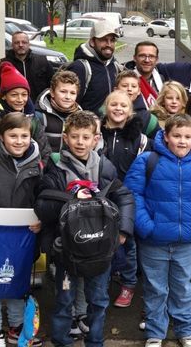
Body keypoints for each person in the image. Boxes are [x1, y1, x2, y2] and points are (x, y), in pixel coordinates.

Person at [34, 110, 135, 347]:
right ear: (65, 138)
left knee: (99, 300)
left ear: (95, 138)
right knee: (64, 300)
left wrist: (123, 232)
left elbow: (125, 197)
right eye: (75, 136)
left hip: (100, 249)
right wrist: (71, 199)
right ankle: (61, 341)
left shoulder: (105, 166)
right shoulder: (56, 167)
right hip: (66, 250)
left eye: (86, 137)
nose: (80, 142)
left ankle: (95, 342)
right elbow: (41, 204)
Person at [124, 114, 191, 347]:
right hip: (154, 240)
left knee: (182, 288)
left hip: (187, 241)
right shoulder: (147, 161)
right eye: (176, 136)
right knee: (155, 289)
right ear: (166, 137)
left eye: (187, 136)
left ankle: (186, 330)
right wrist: (146, 226)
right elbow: (132, 196)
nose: (182, 141)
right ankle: (155, 333)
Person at [0, 113, 43, 347]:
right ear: (1, 137)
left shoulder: (37, 164)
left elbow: (42, 198)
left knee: (18, 283)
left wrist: (41, 222)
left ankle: (16, 329)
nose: (19, 141)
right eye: (13, 135)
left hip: (24, 235)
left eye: (24, 136)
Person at [0, 61, 51, 163]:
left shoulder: (32, 119)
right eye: (14, 95)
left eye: (24, 95)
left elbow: (45, 153)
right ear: (3, 96)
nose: (20, 99)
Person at [70, 20, 120, 114]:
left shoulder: (115, 66)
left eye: (112, 40)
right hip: (86, 126)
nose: (109, 44)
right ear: (92, 42)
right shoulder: (80, 67)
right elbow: (69, 104)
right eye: (104, 40)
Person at [0, 31, 54, 102]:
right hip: (14, 107)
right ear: (12, 45)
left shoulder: (42, 61)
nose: (20, 45)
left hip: (38, 107)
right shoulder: (5, 64)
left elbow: (52, 84)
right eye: (17, 42)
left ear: (29, 44)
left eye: (24, 42)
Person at [35, 70, 81, 152]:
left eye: (73, 93)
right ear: (52, 92)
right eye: (63, 91)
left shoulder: (80, 118)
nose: (68, 97)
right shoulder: (39, 116)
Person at [114, 70, 160, 138]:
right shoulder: (103, 114)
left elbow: (156, 143)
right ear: (115, 89)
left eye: (134, 86)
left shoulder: (149, 119)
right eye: (124, 86)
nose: (129, 89)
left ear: (139, 91)